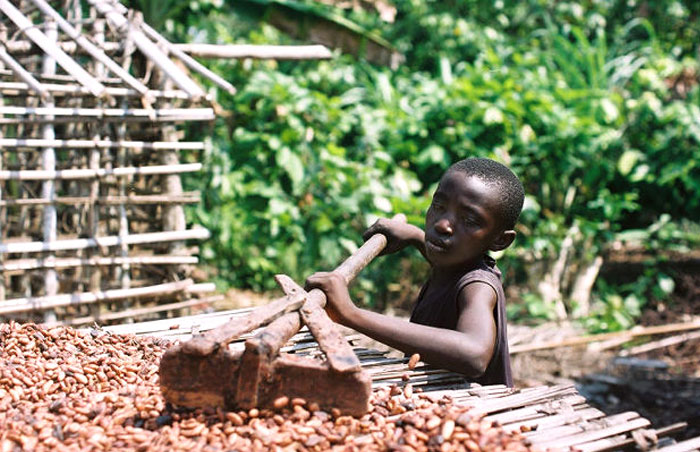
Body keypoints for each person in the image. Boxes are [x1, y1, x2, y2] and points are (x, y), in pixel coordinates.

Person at [305, 157, 524, 386]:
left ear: (500, 240)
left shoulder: (478, 287)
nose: (442, 225)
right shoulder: (456, 261)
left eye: (469, 220)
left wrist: (350, 314)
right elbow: (445, 261)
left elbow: (474, 355)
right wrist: (413, 235)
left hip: (470, 410)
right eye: (438, 207)